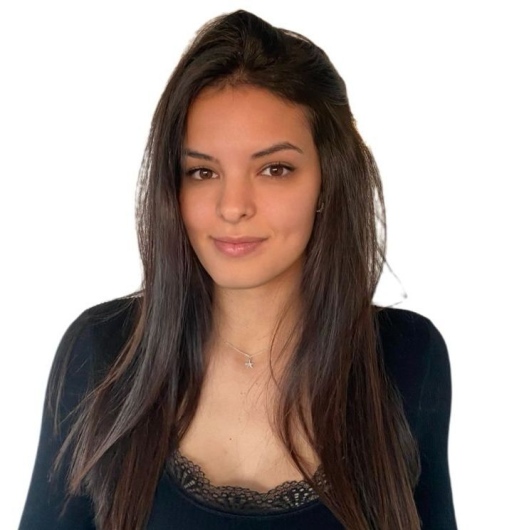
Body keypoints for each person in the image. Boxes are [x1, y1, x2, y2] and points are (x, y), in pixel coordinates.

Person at [19, 9, 457, 530]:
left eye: (274, 169)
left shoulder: (406, 359)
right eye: (203, 171)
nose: (232, 207)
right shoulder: (102, 356)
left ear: (328, 180)